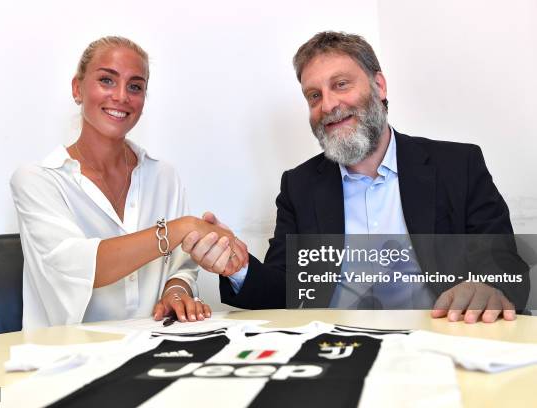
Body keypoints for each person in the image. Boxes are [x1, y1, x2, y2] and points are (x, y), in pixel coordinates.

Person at [181, 31, 529, 323]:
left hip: (439, 339)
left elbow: (504, 264)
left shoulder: (458, 164)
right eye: (314, 96)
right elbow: (284, 290)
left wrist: (488, 287)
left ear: (379, 86)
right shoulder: (299, 186)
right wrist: (239, 268)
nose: (328, 105)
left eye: (341, 84)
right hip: (335, 352)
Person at [10, 36, 247, 329]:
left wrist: (175, 291)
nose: (121, 96)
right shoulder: (37, 180)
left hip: (153, 353)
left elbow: (181, 266)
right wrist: (181, 227)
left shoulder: (164, 176)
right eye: (107, 80)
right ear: (77, 88)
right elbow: (80, 268)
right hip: (67, 359)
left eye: (135, 86)